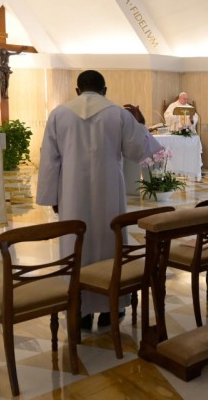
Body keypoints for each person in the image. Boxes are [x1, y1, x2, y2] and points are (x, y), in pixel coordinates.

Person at [37, 70, 162, 329]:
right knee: (109, 244)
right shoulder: (117, 114)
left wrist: (53, 196)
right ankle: (111, 308)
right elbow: (143, 151)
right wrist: (140, 123)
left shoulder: (59, 114)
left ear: (77, 90)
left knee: (76, 247)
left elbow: (50, 160)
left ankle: (80, 310)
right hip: (109, 193)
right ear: (105, 90)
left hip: (72, 194)